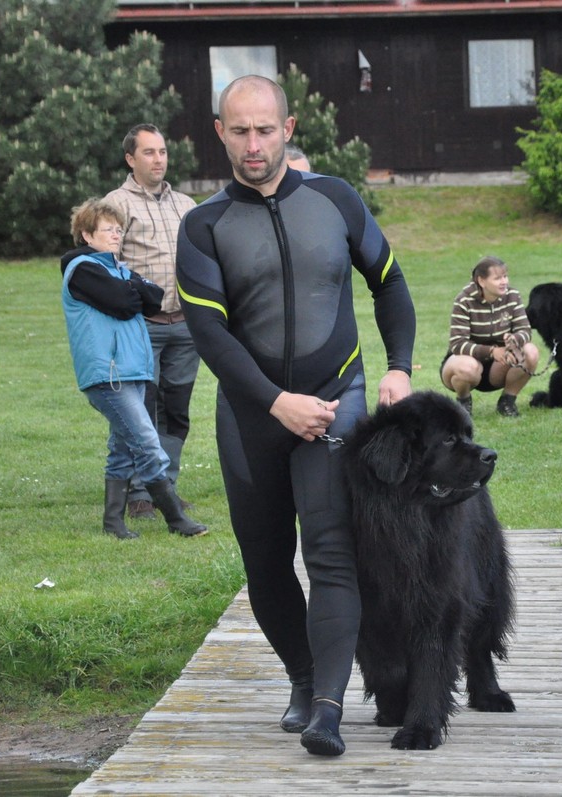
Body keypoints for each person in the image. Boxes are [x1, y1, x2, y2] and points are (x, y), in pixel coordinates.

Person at [176, 75, 415, 757]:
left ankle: (329, 711)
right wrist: (277, 403)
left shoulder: (335, 200)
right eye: (239, 131)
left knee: (331, 552)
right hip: (253, 411)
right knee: (266, 562)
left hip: (336, 396)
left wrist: (399, 365)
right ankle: (304, 680)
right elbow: (211, 335)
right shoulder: (203, 226)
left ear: (288, 127)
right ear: (220, 132)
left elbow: (390, 281)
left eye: (265, 129)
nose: (253, 144)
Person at [60, 199, 208, 540]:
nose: (117, 235)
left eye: (118, 229)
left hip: (131, 371)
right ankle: (175, 518)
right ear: (87, 235)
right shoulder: (83, 269)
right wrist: (132, 289)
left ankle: (113, 523)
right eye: (108, 230)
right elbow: (127, 303)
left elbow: (154, 298)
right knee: (146, 441)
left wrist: (131, 288)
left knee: (123, 448)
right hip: (109, 374)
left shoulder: (117, 268)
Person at [104, 124, 200, 521]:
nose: (158, 159)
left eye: (162, 151)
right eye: (148, 152)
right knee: (140, 410)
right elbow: (104, 267)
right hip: (141, 326)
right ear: (130, 159)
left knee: (176, 411)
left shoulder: (186, 205)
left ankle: (167, 488)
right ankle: (141, 492)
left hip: (186, 326)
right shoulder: (116, 204)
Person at [440, 255, 539, 418]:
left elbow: (525, 330)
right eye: (498, 278)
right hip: (466, 365)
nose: (504, 282)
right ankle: (463, 402)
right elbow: (457, 344)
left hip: (499, 367)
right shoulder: (464, 300)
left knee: (531, 351)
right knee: (467, 367)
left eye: (505, 276)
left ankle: (507, 401)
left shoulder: (513, 295)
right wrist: (492, 351)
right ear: (481, 281)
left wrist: (515, 340)